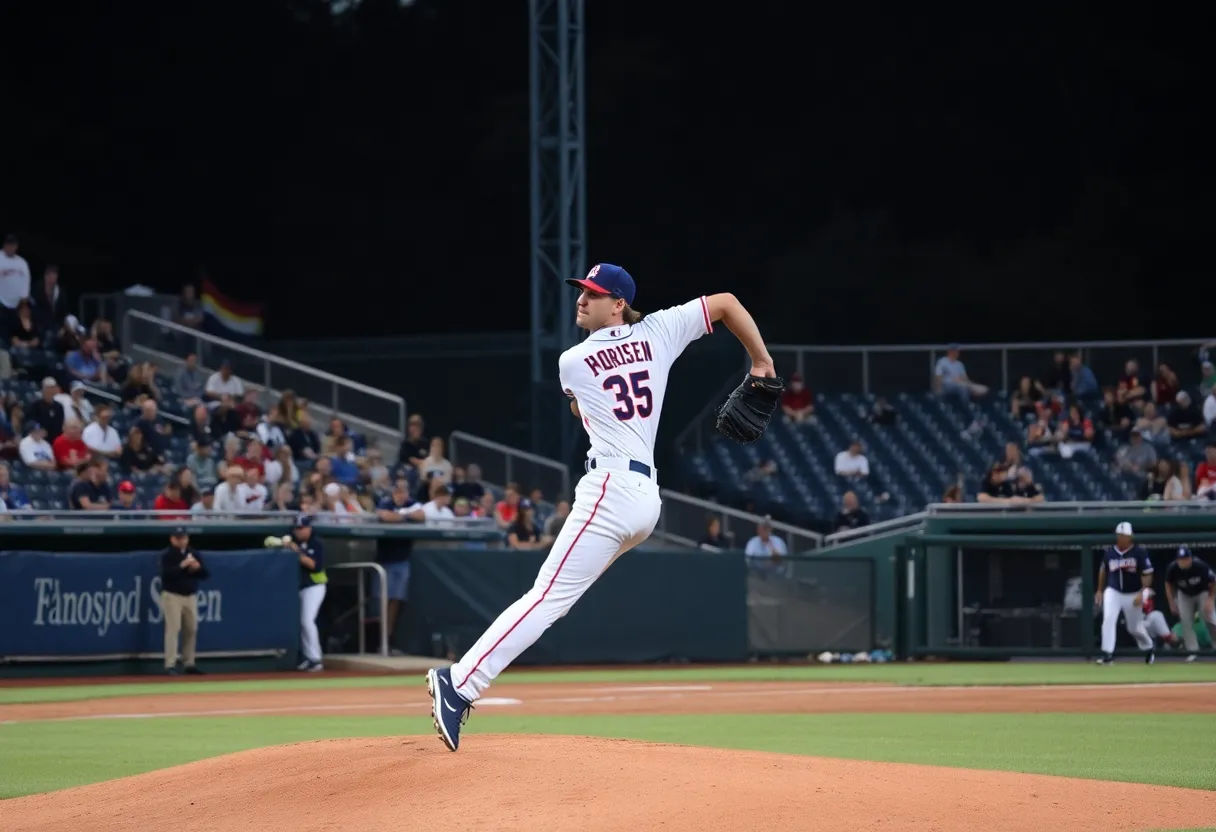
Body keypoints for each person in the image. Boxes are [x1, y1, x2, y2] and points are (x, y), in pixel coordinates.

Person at [426, 263, 775, 751]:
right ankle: (463, 682)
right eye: (581, 291)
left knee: (545, 597)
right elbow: (727, 303)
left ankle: (460, 683)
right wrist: (761, 363)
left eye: (593, 293)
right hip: (645, 501)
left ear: (618, 303)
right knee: (557, 600)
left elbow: (580, 404)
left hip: (610, 490)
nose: (581, 299)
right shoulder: (660, 331)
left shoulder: (573, 360)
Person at [1094, 522, 1156, 666]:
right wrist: (1100, 590)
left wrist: (1142, 592)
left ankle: (1148, 647)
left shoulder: (1139, 552)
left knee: (1133, 628)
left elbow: (1147, 573)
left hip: (1133, 593)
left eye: (1125, 536)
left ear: (1130, 537)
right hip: (1113, 591)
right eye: (1120, 535)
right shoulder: (1110, 552)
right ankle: (1107, 654)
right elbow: (1103, 570)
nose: (1122, 538)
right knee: (1108, 619)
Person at [160, 527, 209, 675]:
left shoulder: (194, 553)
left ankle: (189, 663)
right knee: (173, 629)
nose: (181, 541)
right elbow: (165, 575)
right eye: (178, 538)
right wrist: (182, 565)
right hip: (172, 595)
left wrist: (197, 567)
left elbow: (205, 575)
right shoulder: (167, 555)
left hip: (190, 596)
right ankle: (170, 664)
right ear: (172, 539)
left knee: (191, 629)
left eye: (184, 538)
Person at [285, 515, 327, 672]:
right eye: (296, 528)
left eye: (301, 528)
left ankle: (316, 659)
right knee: (301, 623)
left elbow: (315, 565)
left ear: (309, 528)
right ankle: (308, 657)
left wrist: (297, 552)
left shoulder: (316, 543)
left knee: (307, 621)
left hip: (315, 586)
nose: (298, 531)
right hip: (299, 587)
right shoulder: (293, 541)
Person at [1163, 546, 1216, 662]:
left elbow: (1213, 581)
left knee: (1208, 618)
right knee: (1185, 621)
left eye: (1186, 559)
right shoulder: (1173, 568)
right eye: (1181, 559)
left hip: (1202, 592)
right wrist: (1171, 602)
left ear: (1190, 558)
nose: (1183, 561)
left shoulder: (1200, 566)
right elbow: (1168, 584)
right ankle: (1192, 651)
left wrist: (1211, 599)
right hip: (1184, 594)